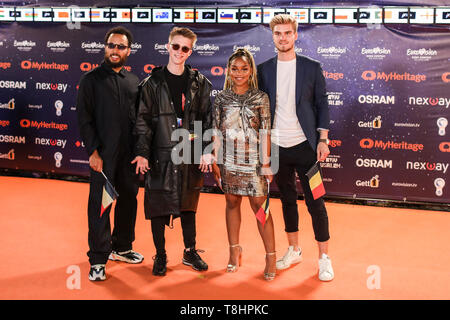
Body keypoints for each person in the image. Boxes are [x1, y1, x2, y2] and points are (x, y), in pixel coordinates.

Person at [257, 14, 334, 281]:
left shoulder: (312, 67)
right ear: (273, 36)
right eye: (278, 33)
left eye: (287, 33)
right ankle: (294, 249)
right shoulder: (264, 69)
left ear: (295, 35)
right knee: (287, 200)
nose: (283, 37)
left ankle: (324, 257)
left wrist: (323, 139)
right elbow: (260, 111)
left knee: (317, 202)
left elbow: (322, 103)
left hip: (307, 148)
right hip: (278, 147)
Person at [133, 27, 212, 276]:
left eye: (185, 48)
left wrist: (206, 150)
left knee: (189, 204)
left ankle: (190, 251)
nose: (179, 52)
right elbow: (142, 121)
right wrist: (143, 153)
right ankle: (161, 255)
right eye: (175, 46)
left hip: (188, 151)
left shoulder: (200, 84)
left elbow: (207, 120)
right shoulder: (151, 83)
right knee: (158, 205)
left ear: (191, 51)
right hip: (160, 152)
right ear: (168, 47)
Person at [77, 26, 143, 281]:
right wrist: (93, 151)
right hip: (103, 156)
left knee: (129, 200)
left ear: (128, 50)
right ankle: (98, 258)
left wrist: (141, 152)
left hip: (129, 156)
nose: (115, 50)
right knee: (101, 206)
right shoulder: (90, 80)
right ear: (105, 48)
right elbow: (84, 119)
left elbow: (139, 120)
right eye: (111, 46)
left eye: (121, 47)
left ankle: (123, 247)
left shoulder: (133, 81)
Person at [211, 48, 276, 281]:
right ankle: (234, 251)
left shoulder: (261, 98)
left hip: (255, 161)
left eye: (244, 68)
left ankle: (270, 256)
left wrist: (267, 163)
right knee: (231, 203)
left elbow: (267, 131)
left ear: (251, 71)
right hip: (228, 159)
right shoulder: (221, 98)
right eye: (235, 68)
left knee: (261, 209)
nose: (239, 73)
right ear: (228, 71)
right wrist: (216, 159)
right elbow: (216, 131)